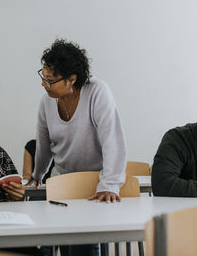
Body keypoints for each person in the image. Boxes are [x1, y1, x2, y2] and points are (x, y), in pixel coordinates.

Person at [28, 39, 127, 256]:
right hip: (62, 181)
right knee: (64, 240)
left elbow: (112, 140)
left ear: (71, 78)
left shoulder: (97, 92)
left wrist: (110, 184)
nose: (44, 83)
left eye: (50, 80)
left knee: (84, 245)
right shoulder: (46, 101)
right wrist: (37, 174)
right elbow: (43, 142)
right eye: (43, 76)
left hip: (93, 183)